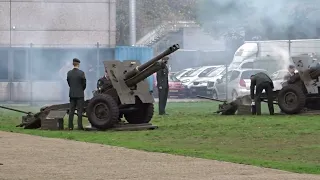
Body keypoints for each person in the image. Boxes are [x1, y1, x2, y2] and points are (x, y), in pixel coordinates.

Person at [67, 58, 86, 130]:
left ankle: (70, 126)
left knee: (71, 111)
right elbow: (84, 84)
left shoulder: (69, 73)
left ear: (73, 64)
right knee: (79, 111)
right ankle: (79, 126)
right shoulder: (81, 73)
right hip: (80, 94)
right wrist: (81, 90)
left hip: (72, 94)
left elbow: (69, 83)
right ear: (78, 64)